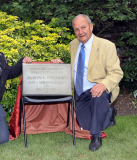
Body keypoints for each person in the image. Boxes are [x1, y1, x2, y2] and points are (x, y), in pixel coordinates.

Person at [51, 14, 123, 151]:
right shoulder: (73, 44)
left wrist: (103, 85)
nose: (80, 32)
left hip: (99, 89)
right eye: (76, 29)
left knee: (97, 99)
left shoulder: (107, 45)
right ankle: (109, 114)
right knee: (85, 126)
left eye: (83, 27)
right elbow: (75, 69)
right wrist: (60, 66)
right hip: (81, 93)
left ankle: (96, 137)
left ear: (91, 27)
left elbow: (117, 72)